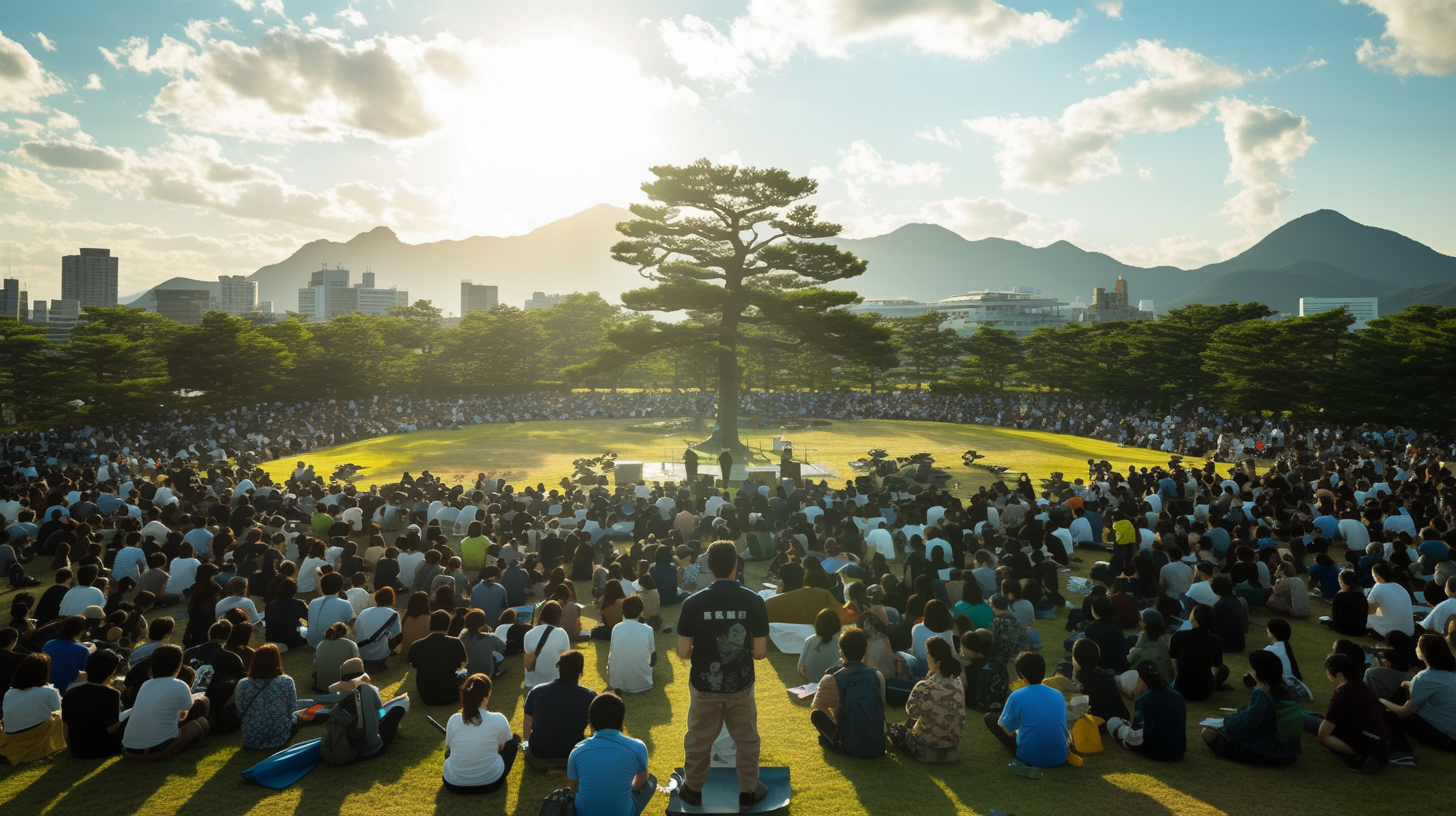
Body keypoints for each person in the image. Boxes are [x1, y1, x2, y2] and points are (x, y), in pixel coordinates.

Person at [676, 541, 770, 809]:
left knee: (698, 738)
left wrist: (705, 651)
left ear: (709, 566)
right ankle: (747, 791)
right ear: (736, 566)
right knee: (747, 739)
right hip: (740, 684)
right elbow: (761, 652)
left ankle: (692, 789)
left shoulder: (693, 602)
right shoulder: (754, 601)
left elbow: (683, 652)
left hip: (703, 684)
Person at [1202, 649, 1302, 766]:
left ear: (1260, 673)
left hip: (1270, 753)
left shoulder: (1262, 693)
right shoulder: (1287, 688)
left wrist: (1226, 722)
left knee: (1208, 733)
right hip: (1289, 752)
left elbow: (1247, 723)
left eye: (1253, 670)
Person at [567, 693, 656, 816]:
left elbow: (574, 786)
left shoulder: (578, 750)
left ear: (591, 721)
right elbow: (640, 783)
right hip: (622, 812)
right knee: (651, 781)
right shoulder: (637, 747)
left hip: (583, 812)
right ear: (621, 719)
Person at [122, 644, 210, 762]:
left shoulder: (146, 685)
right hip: (159, 749)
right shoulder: (180, 685)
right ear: (178, 665)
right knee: (201, 722)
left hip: (129, 751)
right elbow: (183, 716)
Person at [1380, 633, 1456, 766]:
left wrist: (1381, 700)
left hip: (1446, 738)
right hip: (1451, 731)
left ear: (1424, 653)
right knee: (1402, 689)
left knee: (1386, 714)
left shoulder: (1425, 678)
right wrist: (1408, 684)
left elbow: (1404, 712)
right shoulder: (1451, 672)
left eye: (1418, 646)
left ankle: (1402, 752)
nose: (1416, 648)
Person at [810, 627, 886, 758]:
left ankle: (835, 742)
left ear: (842, 651)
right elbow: (881, 706)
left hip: (852, 747)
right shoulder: (878, 675)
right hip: (879, 745)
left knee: (816, 715)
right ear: (865, 651)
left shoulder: (832, 678)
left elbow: (820, 707)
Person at [1304, 653, 1386, 774]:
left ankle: (1358, 755)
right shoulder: (1361, 686)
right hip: (1378, 740)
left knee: (1302, 719)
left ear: (1339, 674)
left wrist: (1357, 750)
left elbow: (1323, 737)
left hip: (1362, 742)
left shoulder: (1342, 694)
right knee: (1316, 717)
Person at [987, 651, 1071, 768]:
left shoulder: (1017, 695)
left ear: (1021, 674)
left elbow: (1007, 730)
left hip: (1029, 757)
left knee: (990, 719)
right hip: (1060, 756)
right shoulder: (1057, 694)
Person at [889, 635, 965, 762]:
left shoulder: (925, 685)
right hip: (951, 749)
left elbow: (911, 712)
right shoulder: (958, 683)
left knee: (897, 730)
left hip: (925, 750)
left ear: (936, 661)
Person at [442, 673, 519, 794]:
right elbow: (503, 747)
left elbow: (449, 746)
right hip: (491, 782)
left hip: (453, 784)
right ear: (487, 695)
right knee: (513, 742)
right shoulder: (498, 719)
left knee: (449, 753)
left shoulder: (453, 719)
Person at [523, 650, 596, 771]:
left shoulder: (536, 692)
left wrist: (527, 743)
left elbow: (527, 725)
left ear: (559, 667)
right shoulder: (590, 696)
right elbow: (595, 731)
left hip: (539, 750)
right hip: (573, 749)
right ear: (580, 671)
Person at [1106, 659, 1186, 762]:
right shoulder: (1177, 695)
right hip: (1179, 751)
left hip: (1158, 752)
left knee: (1112, 722)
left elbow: (1145, 732)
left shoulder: (1144, 699)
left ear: (1141, 679)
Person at [328, 657, 406, 762]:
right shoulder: (369, 689)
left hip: (349, 743)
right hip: (372, 747)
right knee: (398, 709)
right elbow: (379, 709)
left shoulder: (339, 693)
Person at [0, 653, 66, 764]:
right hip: (35, 736)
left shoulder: (10, 692)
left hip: (12, 737)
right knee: (59, 716)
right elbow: (59, 710)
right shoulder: (49, 692)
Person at [62, 648, 125, 759]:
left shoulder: (70, 693)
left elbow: (66, 726)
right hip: (103, 749)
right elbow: (111, 728)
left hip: (77, 750)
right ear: (112, 670)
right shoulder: (112, 694)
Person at [234, 644, 298, 751]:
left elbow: (240, 706)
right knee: (299, 717)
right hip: (279, 735)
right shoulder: (286, 681)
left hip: (251, 736)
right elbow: (292, 707)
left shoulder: (243, 684)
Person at [407, 610, 469, 706]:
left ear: (431, 624)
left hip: (426, 697)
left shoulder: (416, 645)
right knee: (465, 672)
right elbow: (463, 662)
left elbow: (413, 663)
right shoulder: (456, 643)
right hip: (452, 695)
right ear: (448, 625)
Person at [1168, 604, 1228, 701]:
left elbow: (1173, 662)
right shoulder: (1217, 640)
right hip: (1205, 690)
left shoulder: (1178, 636)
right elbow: (1216, 667)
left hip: (1181, 688)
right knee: (1224, 669)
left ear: (1194, 620)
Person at [607, 596, 656, 694]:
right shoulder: (648, 629)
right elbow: (653, 657)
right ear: (641, 611)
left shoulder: (616, 628)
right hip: (644, 683)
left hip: (616, 683)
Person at [523, 601, 573, 690]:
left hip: (532, 684)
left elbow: (528, 660)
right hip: (554, 683)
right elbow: (568, 659)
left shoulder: (528, 634)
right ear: (558, 617)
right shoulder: (561, 633)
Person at [959, 629, 1009, 714]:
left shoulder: (971, 667)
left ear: (976, 652)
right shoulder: (999, 661)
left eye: (965, 653)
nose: (964, 654)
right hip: (1003, 702)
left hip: (980, 706)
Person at [354, 587, 402, 672]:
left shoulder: (364, 612)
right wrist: (386, 634)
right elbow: (397, 632)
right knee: (399, 635)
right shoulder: (393, 614)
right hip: (379, 655)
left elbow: (356, 629)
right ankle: (386, 653)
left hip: (361, 650)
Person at [305, 573, 355, 649]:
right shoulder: (345, 604)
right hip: (331, 641)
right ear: (340, 587)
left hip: (312, 641)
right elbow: (352, 623)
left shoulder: (313, 602)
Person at [1367, 562, 1415, 640]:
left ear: (1377, 577)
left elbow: (1370, 611)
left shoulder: (1378, 588)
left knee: (1362, 617)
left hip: (1392, 632)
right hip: (1409, 631)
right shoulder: (1400, 587)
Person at [799, 607, 843, 682]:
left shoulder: (809, 641)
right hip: (834, 684)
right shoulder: (841, 642)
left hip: (813, 682)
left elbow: (800, 668)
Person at [263, 578, 309, 650]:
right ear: (294, 591)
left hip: (271, 637)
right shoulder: (298, 604)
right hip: (291, 638)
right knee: (304, 630)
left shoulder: (270, 605)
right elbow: (310, 618)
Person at [314, 622, 360, 693]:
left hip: (323, 687)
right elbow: (359, 665)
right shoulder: (351, 644)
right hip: (345, 689)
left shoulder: (320, 645)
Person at [461, 609, 507, 680]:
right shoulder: (491, 638)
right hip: (487, 673)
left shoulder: (462, 637)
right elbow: (503, 648)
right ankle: (496, 671)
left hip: (469, 673)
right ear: (483, 623)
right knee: (497, 656)